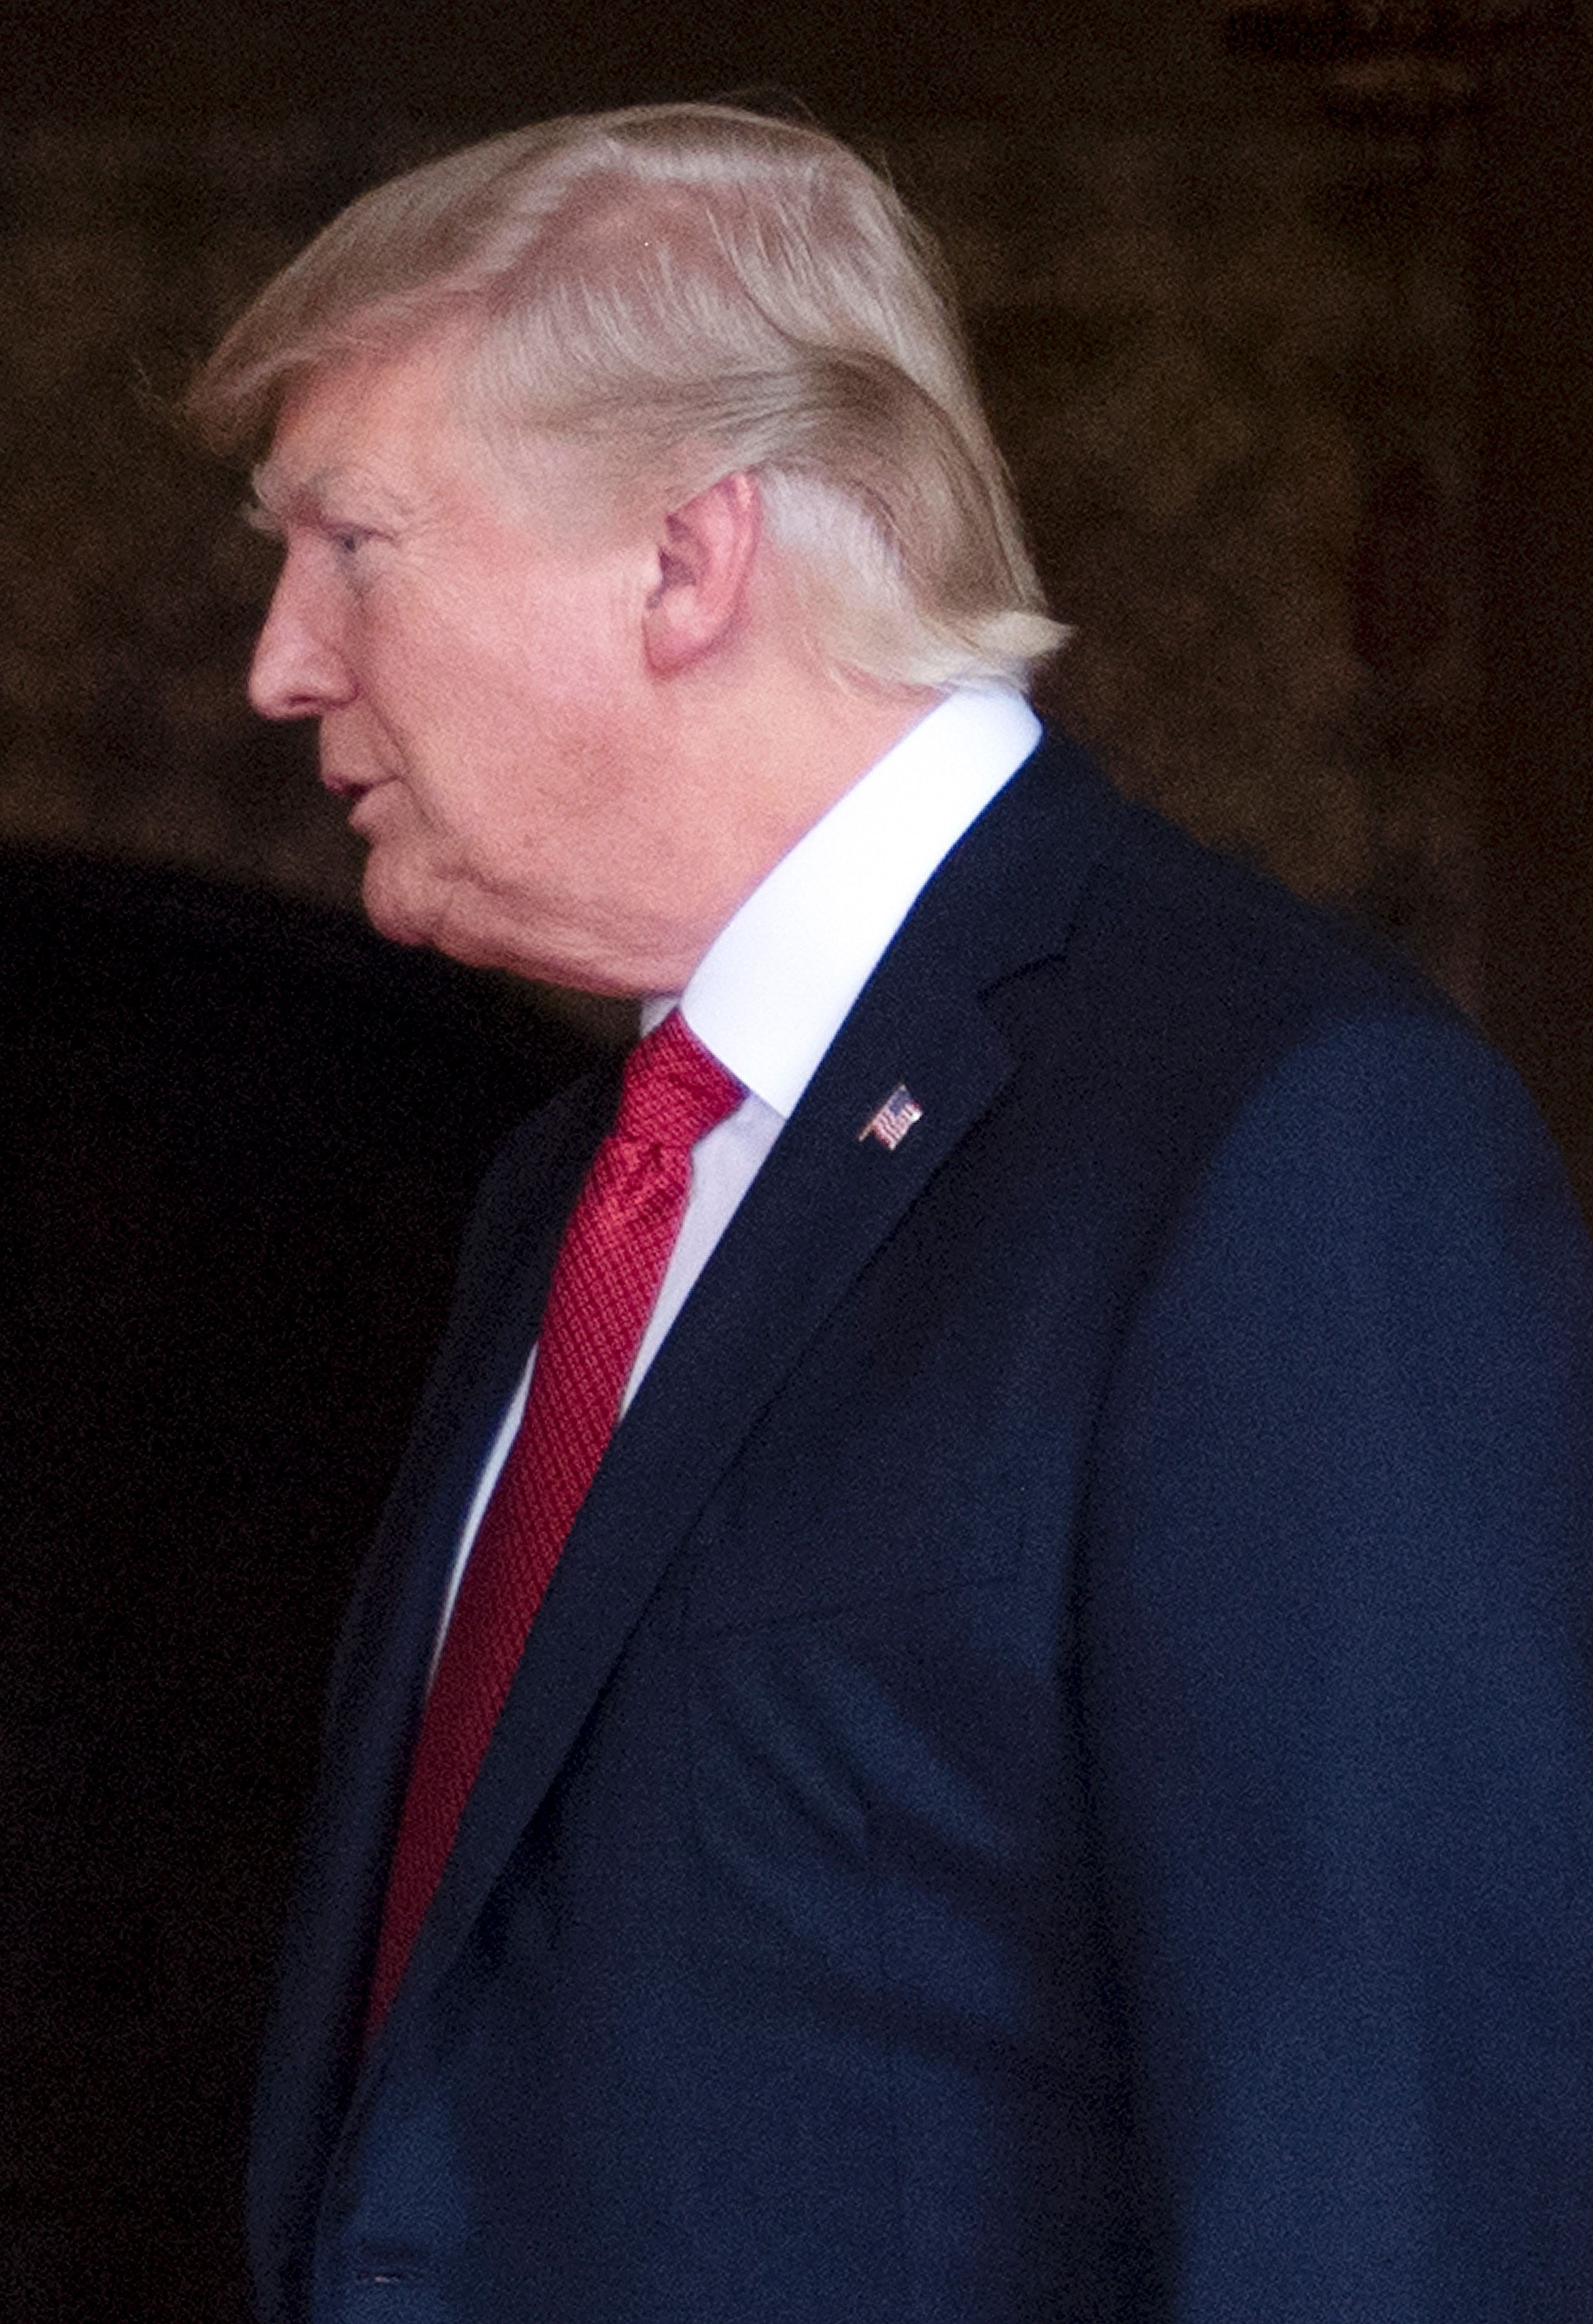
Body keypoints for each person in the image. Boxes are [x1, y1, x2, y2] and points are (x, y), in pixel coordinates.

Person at [190, 103, 1593, 2321]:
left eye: (349, 544)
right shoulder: (584, 1175)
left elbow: (1393, 2179)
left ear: (689, 557)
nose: (281, 662)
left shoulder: (1282, 1144)